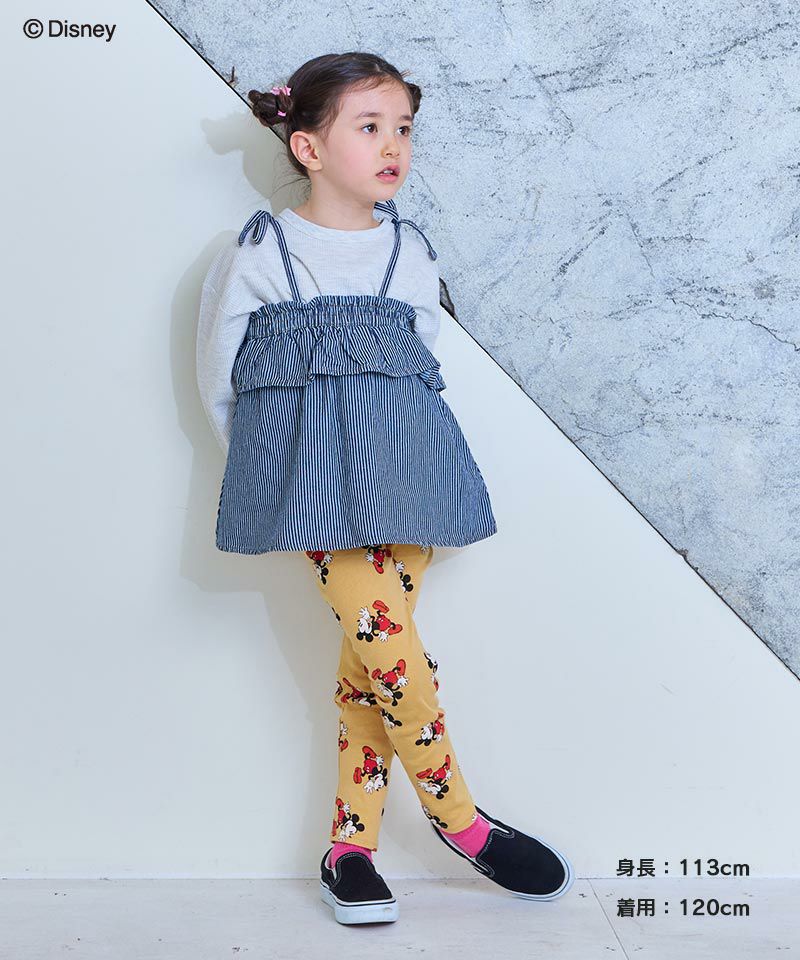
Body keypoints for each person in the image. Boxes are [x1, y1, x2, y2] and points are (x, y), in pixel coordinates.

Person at [196, 51, 574, 925]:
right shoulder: (261, 253)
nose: (393, 144)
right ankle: (462, 821)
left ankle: (349, 848)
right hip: (316, 493)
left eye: (403, 127)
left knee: (370, 662)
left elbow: (418, 369)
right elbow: (220, 381)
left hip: (409, 475)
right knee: (394, 650)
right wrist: (274, 479)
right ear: (308, 147)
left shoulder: (409, 252)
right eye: (369, 127)